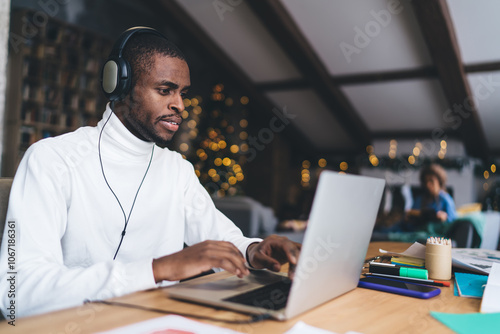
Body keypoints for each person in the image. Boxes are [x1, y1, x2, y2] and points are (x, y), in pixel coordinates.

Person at [0, 27, 300, 318]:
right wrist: (158, 269)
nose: (179, 104)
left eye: (182, 93)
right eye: (164, 90)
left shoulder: (176, 170)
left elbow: (220, 238)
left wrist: (254, 250)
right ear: (121, 86)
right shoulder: (53, 159)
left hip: (158, 321)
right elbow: (15, 293)